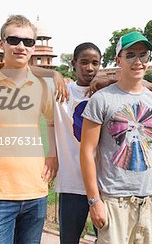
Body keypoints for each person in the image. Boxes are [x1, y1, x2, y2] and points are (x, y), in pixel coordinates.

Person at [0, 15, 58, 244]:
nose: (21, 46)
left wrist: (53, 155)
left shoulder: (42, 85)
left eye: (28, 42)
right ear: (1, 43)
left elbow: (52, 122)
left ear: (34, 47)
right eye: (14, 40)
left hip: (36, 190)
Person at [80, 31, 152, 244]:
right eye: (130, 55)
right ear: (118, 59)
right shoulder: (101, 100)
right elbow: (87, 151)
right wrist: (94, 201)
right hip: (115, 200)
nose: (138, 61)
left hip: (151, 200)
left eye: (144, 55)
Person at [54, 42, 102, 243]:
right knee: (69, 240)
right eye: (84, 62)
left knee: (108, 239)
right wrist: (52, 74)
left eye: (95, 63)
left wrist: (109, 81)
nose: (89, 68)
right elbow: (22, 70)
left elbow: (147, 86)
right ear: (73, 63)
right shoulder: (61, 91)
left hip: (103, 184)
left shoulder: (107, 93)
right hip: (72, 183)